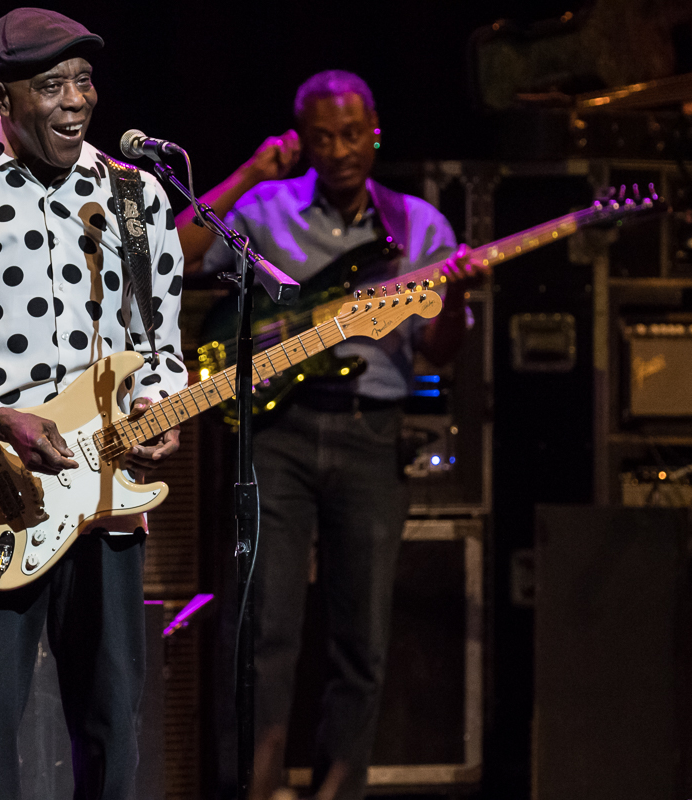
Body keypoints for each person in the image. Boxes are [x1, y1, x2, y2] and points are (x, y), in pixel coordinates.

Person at [0, 9, 186, 800]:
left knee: (114, 737)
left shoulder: (135, 198)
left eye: (84, 81)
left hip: (108, 500)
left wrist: (163, 409)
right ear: (1, 97)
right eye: (51, 85)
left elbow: (161, 345)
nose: (77, 100)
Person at [179, 70, 476, 800]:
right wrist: (251, 168)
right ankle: (254, 787)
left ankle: (340, 790)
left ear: (375, 130)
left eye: (353, 134)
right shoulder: (267, 208)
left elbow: (438, 352)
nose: (341, 150)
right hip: (276, 439)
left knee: (363, 640)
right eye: (323, 137)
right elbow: (177, 256)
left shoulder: (419, 226)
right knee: (263, 628)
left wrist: (458, 291)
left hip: (371, 436)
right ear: (301, 138)